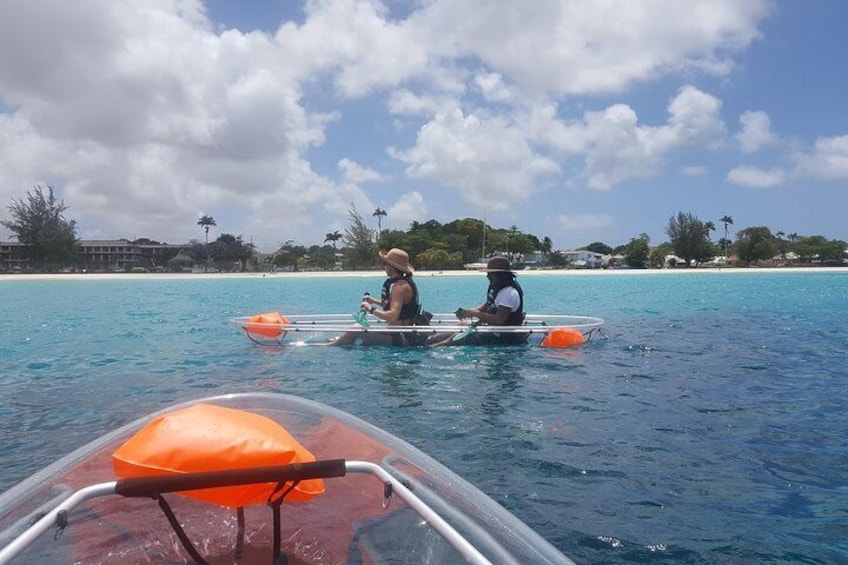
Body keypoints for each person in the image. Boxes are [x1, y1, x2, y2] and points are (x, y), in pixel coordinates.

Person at [332, 248, 429, 346]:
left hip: (400, 337)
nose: (384, 267)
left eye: (385, 264)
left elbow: (392, 316)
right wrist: (374, 301)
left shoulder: (400, 286)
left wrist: (371, 309)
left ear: (391, 267)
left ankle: (329, 347)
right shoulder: (403, 283)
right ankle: (341, 341)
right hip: (397, 333)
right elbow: (398, 307)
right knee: (350, 335)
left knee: (356, 329)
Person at [432, 256, 527, 346]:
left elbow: (499, 320)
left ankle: (430, 351)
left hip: (501, 335)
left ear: (500, 275)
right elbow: (490, 305)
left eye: (490, 273)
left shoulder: (509, 293)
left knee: (451, 340)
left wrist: (475, 314)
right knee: (459, 326)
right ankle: (430, 341)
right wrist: (469, 312)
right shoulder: (497, 288)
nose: (487, 276)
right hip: (491, 329)